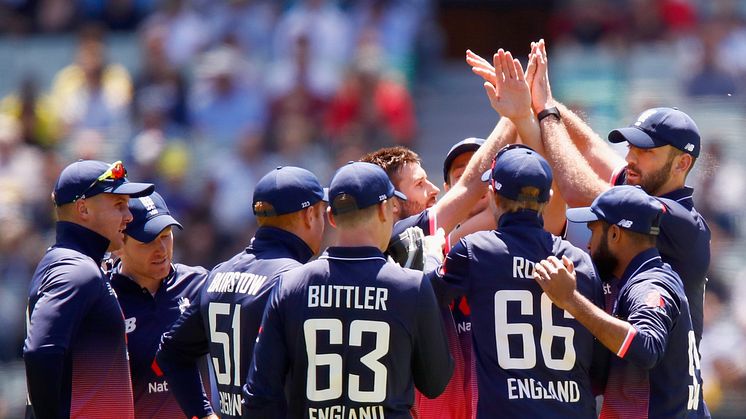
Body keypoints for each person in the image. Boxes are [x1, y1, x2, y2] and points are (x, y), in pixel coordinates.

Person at [468, 40, 710, 348]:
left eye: (645, 151)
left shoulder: (682, 221)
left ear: (682, 163)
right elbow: (594, 150)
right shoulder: (641, 185)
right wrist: (540, 102)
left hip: (661, 390)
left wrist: (545, 113)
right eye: (631, 148)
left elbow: (574, 188)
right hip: (631, 383)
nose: (630, 158)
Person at [243, 161, 453, 417]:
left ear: (330, 217)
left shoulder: (290, 285)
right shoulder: (411, 286)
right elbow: (435, 382)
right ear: (385, 209)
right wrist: (431, 266)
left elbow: (260, 395)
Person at [427, 145, 603, 418]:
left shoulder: (475, 251)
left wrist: (430, 255)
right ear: (549, 198)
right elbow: (600, 368)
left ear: (494, 196)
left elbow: (427, 297)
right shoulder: (580, 261)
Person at [156, 166, 327, 419]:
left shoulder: (219, 273)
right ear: (309, 215)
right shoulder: (294, 280)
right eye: (322, 212)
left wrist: (202, 414)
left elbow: (171, 352)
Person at [533, 185, 707, 418]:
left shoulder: (650, 285)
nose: (588, 244)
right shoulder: (648, 277)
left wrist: (571, 300)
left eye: (593, 232)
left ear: (615, 234)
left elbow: (646, 347)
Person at [24, 160, 153, 419]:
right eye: (119, 205)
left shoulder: (76, 264)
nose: (129, 216)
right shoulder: (77, 271)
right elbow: (40, 352)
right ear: (83, 209)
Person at [109, 191, 216, 419]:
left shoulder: (201, 284)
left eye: (166, 236)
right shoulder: (104, 297)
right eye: (147, 240)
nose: (161, 249)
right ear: (119, 244)